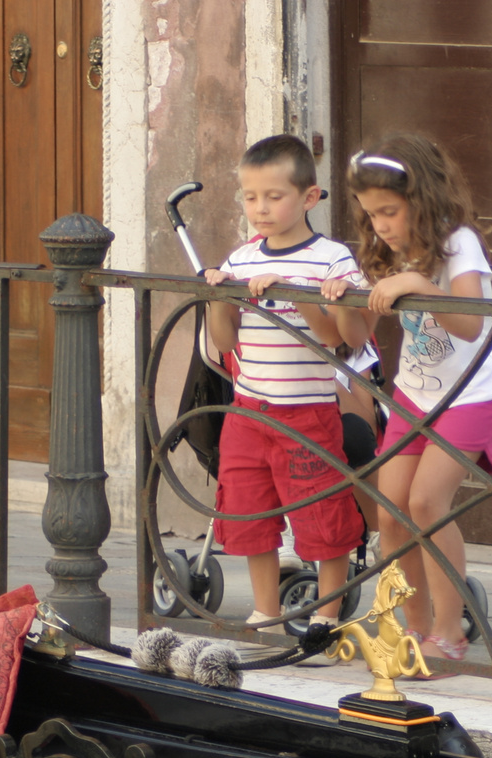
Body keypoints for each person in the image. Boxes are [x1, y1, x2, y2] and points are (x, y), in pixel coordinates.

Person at [328, 133, 492, 661]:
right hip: (415, 393)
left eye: (389, 211)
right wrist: (346, 298)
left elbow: (472, 324)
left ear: (422, 198)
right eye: (370, 214)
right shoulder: (386, 249)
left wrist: (422, 286)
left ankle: (450, 635)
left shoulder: (459, 245)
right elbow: (358, 333)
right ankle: (414, 629)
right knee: (390, 512)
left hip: (473, 392)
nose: (380, 225)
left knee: (426, 503)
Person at [203, 134, 373, 651]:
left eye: (274, 196)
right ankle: (265, 611)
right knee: (249, 509)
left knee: (321, 510)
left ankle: (326, 613)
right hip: (249, 409)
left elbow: (342, 342)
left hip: (308, 410)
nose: (261, 208)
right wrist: (219, 294)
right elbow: (225, 340)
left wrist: (296, 299)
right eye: (251, 197)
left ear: (310, 198)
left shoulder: (332, 260)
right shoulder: (242, 258)